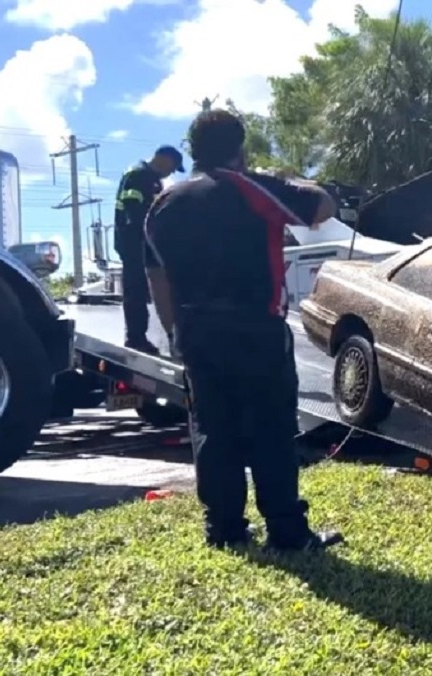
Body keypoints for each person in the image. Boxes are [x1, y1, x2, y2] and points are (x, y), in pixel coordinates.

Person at [145, 109, 340, 551]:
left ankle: (225, 529)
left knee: (213, 429)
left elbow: (156, 276)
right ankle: (287, 532)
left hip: (195, 328)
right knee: (270, 427)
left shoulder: (163, 204)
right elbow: (321, 206)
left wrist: (176, 330)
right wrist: (281, 178)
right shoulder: (248, 186)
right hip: (253, 326)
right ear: (239, 148)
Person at [114, 145, 184, 355]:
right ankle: (135, 338)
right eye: (173, 167)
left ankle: (141, 336)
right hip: (133, 241)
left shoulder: (150, 178)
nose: (171, 172)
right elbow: (134, 210)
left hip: (142, 242)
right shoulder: (138, 175)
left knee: (143, 290)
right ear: (164, 159)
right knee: (135, 290)